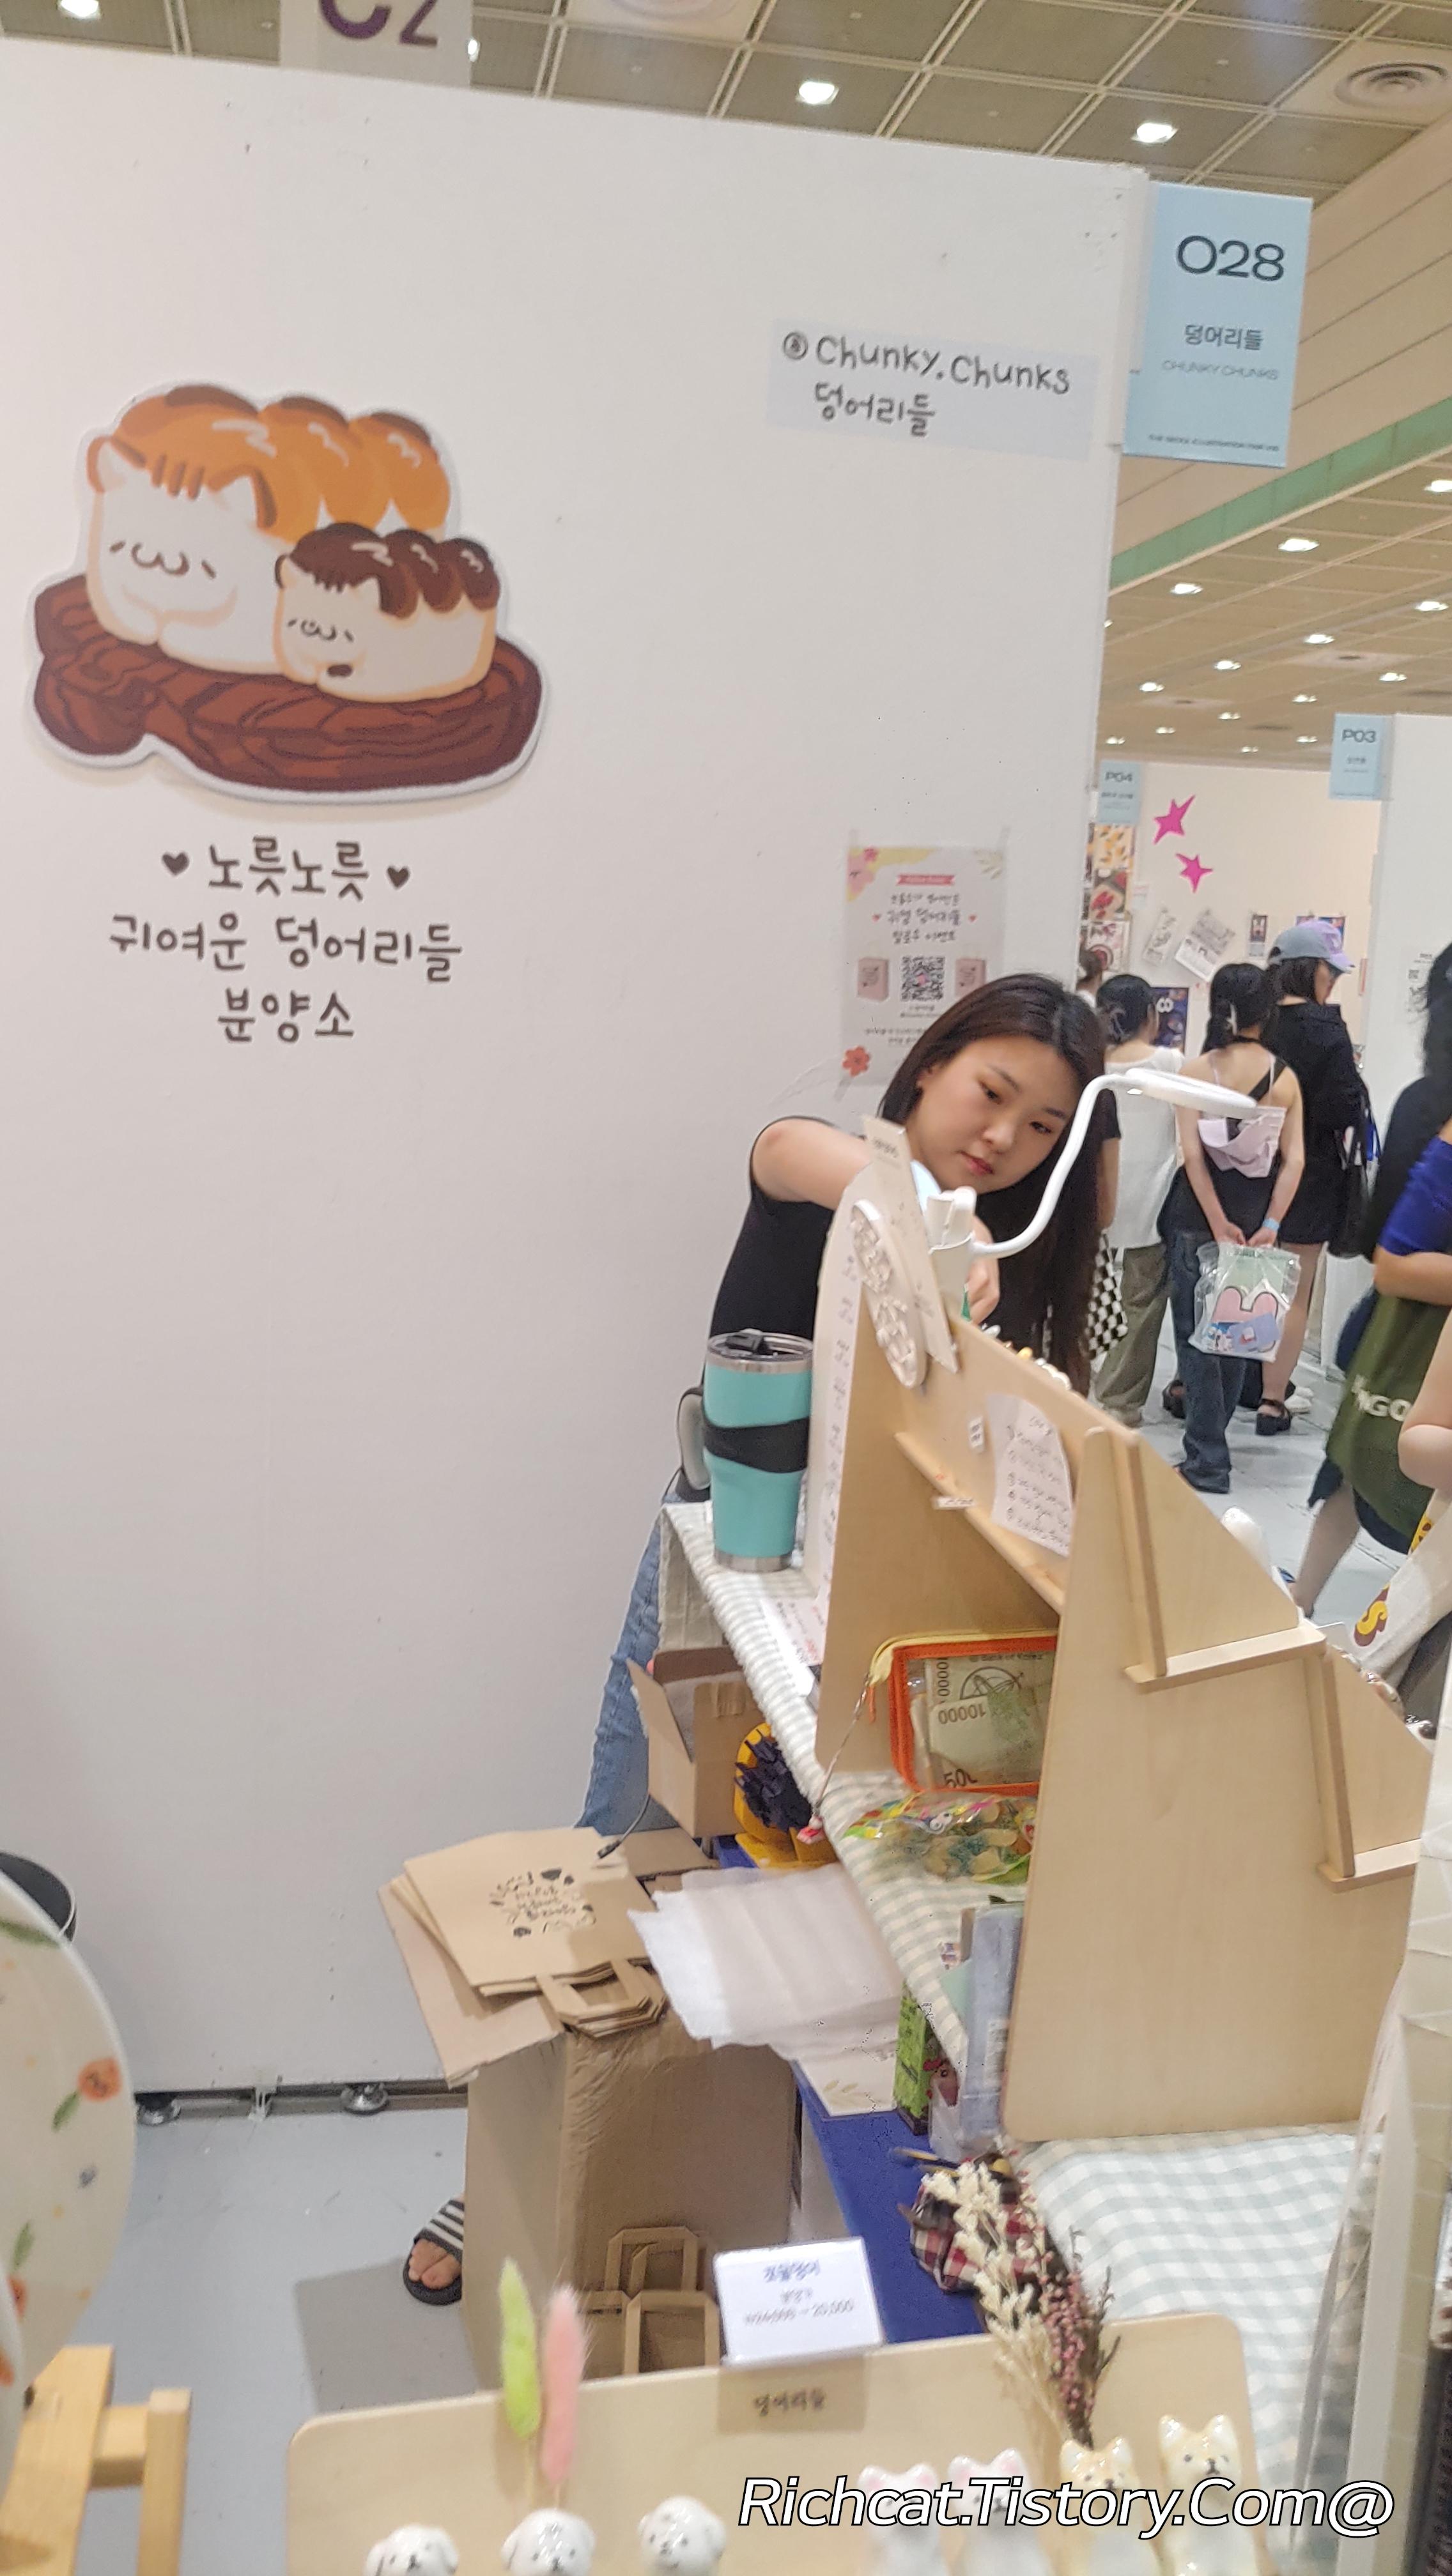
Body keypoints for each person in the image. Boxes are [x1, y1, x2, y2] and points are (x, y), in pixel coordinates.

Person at [405, 975, 1108, 2304]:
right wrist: (928, 1224)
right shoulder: (821, 1169)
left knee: (832, 1909)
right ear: (930, 1065)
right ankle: (505, 2163)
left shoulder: (995, 1267)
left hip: (870, 1622)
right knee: (619, 1845)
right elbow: (796, 1155)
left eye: (1040, 1128)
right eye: (991, 1092)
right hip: (715, 1571)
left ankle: (718, 2183)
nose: (1003, 1138)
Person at [1292, 942, 1452, 1614]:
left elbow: (1374, 1237)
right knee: (1379, 1468)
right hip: (1412, 1331)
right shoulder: (1434, 1112)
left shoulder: (1422, 1099)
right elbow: (1391, 1259)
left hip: (1393, 1327)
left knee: (1354, 1464)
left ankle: (1302, 1601)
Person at [1158, 962, 1305, 1494]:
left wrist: (1216, 1222)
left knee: (1196, 1342)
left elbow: (1192, 1157)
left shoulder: (1197, 1070)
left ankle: (1207, 1460)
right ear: (1268, 1010)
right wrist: (1271, 1222)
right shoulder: (1284, 1078)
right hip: (1255, 1222)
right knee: (1241, 1337)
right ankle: (1212, 1445)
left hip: (1197, 1220)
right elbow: (1295, 1160)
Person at [1250, 924, 1368, 1437]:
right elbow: (1344, 1108)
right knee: (1294, 1292)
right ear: (1310, 968)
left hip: (1249, 1167)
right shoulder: (1327, 1029)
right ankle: (1272, 1400)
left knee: (1245, 1280)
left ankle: (1225, 1385)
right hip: (1312, 1170)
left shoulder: (1255, 1020)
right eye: (1330, 970)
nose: (1334, 980)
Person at [1091, 974, 1181, 1428]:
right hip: (1153, 1201)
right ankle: (1120, 1401)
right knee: (1140, 1306)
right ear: (1151, 1015)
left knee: (1088, 1297)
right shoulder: (1170, 1063)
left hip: (1096, 1198)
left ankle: (1079, 1381)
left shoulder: (1091, 1066)